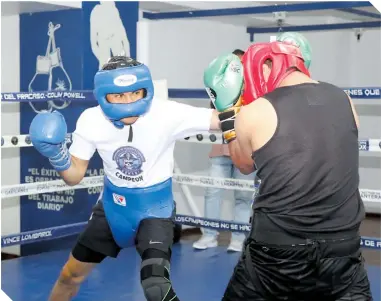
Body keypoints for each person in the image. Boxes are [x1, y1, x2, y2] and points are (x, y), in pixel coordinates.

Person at [29, 56, 221, 301]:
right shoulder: (91, 119)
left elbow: (222, 119)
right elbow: (74, 176)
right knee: (70, 276)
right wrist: (57, 155)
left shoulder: (166, 112)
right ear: (104, 95)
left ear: (146, 90)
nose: (129, 102)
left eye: (135, 93)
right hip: (112, 210)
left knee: (156, 284)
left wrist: (235, 100)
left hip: (155, 211)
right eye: (119, 96)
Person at [204, 42, 372, 300]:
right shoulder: (344, 99)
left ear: (265, 67)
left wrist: (228, 115)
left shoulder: (255, 111)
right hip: (342, 247)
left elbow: (243, 164)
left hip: (279, 250)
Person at [193, 49, 255, 252]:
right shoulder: (219, 88)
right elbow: (216, 116)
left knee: (244, 195)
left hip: (245, 150)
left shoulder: (254, 89)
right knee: (212, 191)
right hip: (221, 148)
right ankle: (209, 235)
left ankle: (238, 239)